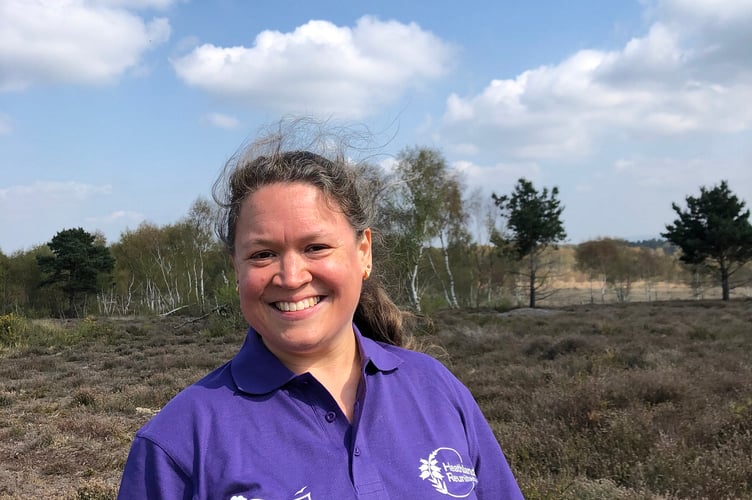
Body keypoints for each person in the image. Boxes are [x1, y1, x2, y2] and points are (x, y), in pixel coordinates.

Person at [118, 120, 524, 499]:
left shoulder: (437, 389)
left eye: (316, 247)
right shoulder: (178, 442)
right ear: (236, 269)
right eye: (262, 254)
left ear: (363, 252)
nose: (291, 276)